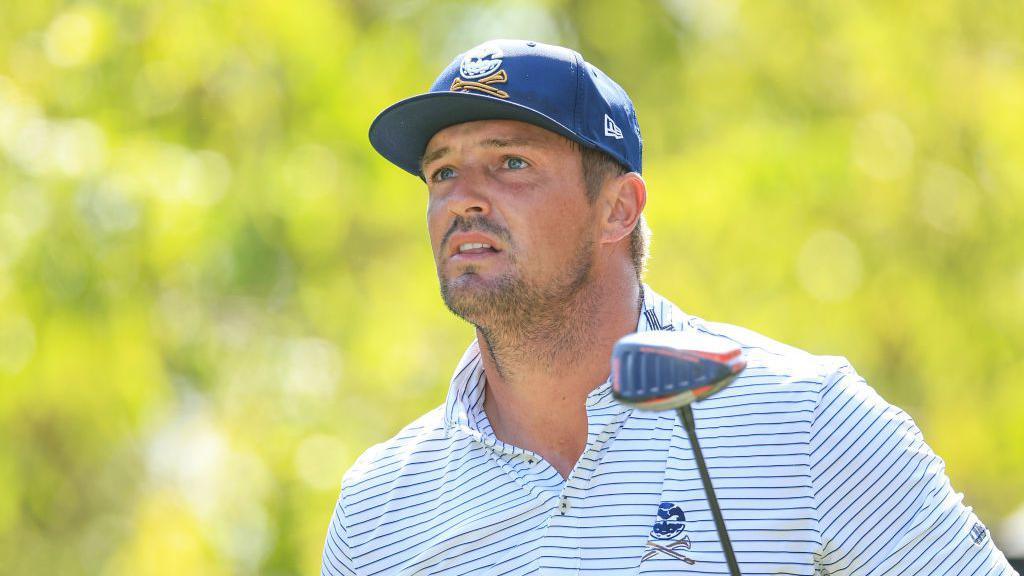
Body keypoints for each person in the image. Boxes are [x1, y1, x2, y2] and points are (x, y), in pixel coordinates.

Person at [321, 39, 1017, 575]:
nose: (463, 196)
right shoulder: (379, 510)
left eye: (511, 163)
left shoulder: (806, 421)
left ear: (617, 208)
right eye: (442, 171)